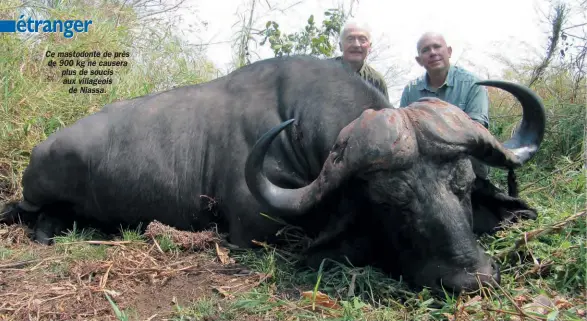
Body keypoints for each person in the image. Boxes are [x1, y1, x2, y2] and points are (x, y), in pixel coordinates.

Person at [399, 32, 490, 178]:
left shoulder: (473, 85)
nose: (433, 53)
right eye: (425, 50)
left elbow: (476, 133)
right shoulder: (410, 90)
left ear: (449, 52)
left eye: (437, 47)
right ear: (419, 60)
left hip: (466, 166)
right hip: (426, 170)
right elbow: (403, 134)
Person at [331, 20, 390, 100]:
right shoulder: (323, 72)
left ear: (370, 47)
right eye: (350, 39)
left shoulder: (376, 81)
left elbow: (385, 112)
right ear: (340, 46)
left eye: (362, 40)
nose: (356, 45)